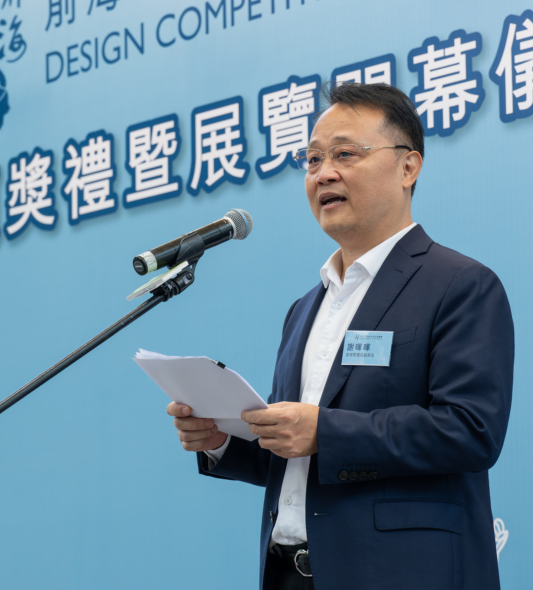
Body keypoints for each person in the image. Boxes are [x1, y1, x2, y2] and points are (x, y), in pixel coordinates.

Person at [167, 82, 515, 590]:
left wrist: (324, 432)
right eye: (312, 160)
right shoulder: (304, 309)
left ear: (408, 167)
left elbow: (470, 430)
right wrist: (223, 441)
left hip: (401, 575)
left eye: (345, 154)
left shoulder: (460, 284)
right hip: (291, 574)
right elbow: (297, 454)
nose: (323, 173)